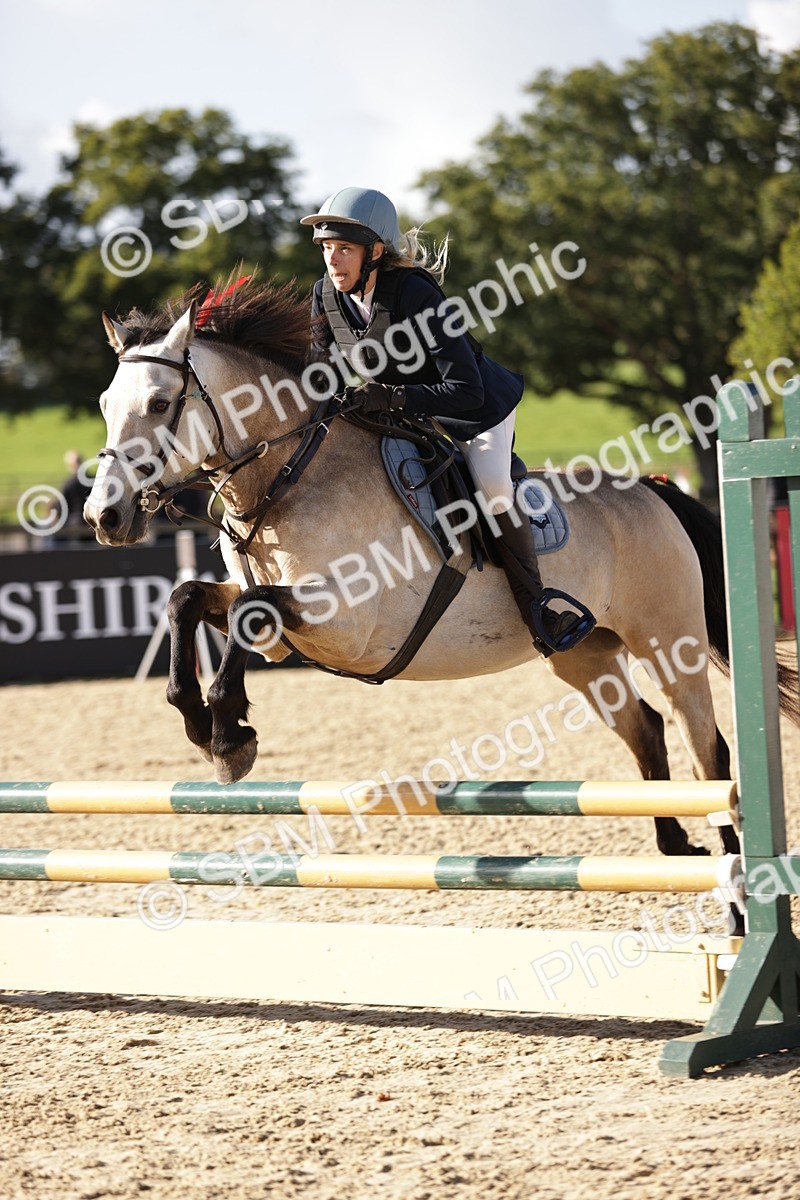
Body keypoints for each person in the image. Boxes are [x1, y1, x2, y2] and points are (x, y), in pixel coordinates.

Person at [301, 187, 595, 654]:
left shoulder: (415, 294)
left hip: (473, 413)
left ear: (375, 252)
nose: (333, 261)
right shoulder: (325, 295)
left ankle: (539, 610)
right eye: (326, 249)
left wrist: (392, 397)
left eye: (345, 249)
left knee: (493, 489)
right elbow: (321, 373)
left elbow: (465, 389)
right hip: (405, 410)